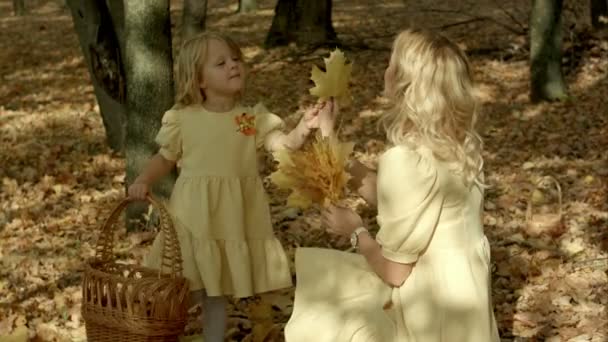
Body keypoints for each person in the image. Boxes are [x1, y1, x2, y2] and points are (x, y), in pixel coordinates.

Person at [285, 28, 501, 342]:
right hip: (465, 301)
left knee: (326, 298)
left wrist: (356, 231)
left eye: (390, 63)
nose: (385, 70)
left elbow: (395, 273)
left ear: (404, 85)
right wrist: (330, 137)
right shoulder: (459, 147)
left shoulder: (405, 160)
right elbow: (399, 202)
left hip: (429, 308)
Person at [127, 32, 333, 342]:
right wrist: (143, 180)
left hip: (234, 219)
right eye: (220, 63)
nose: (233, 66)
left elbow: (282, 145)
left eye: (235, 59)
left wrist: (303, 128)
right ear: (199, 80)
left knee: (216, 293)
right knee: (182, 289)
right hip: (195, 219)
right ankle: (151, 331)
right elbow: (165, 157)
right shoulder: (184, 118)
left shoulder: (250, 118)